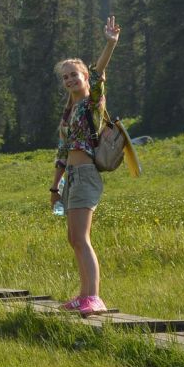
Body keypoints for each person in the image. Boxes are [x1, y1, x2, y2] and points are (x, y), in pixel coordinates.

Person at [52, 16, 121, 316]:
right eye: (65, 77)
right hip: (72, 178)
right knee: (73, 238)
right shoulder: (68, 113)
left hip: (86, 175)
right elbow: (62, 151)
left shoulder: (92, 103)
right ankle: (84, 295)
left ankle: (94, 298)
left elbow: (100, 70)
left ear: (84, 78)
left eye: (74, 75)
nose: (70, 80)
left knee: (82, 237)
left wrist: (110, 43)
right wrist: (55, 186)